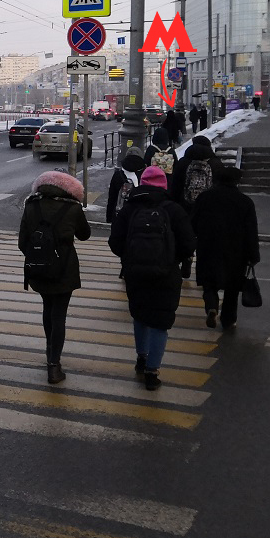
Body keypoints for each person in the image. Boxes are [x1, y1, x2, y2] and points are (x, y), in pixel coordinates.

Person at [108, 165, 196, 391]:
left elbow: (115, 242)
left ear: (143, 185)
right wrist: (169, 258)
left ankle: (141, 357)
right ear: (164, 185)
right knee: (160, 323)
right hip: (166, 275)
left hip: (135, 274)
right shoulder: (174, 210)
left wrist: (130, 258)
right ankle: (152, 371)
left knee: (140, 316)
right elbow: (188, 245)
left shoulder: (129, 209)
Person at [19, 171, 91, 384]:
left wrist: (41, 256)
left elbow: (23, 242)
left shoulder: (31, 206)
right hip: (64, 271)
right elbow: (85, 234)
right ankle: (54, 364)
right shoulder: (73, 208)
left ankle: (50, 352)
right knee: (59, 315)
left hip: (39, 269)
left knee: (48, 309)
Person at [192, 167, 260, 330]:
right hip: (236, 250)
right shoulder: (245, 201)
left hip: (208, 246)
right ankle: (228, 319)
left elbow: (193, 222)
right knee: (232, 287)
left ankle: (211, 306)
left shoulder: (204, 197)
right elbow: (251, 231)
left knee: (209, 282)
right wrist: (253, 255)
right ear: (237, 181)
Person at [171, 134, 222, 215]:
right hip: (208, 207)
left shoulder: (183, 162)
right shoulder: (216, 163)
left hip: (184, 207)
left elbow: (176, 185)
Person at [106, 150, 145, 224]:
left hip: (119, 214)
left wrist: (109, 217)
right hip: (138, 215)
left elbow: (112, 197)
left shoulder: (118, 174)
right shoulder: (144, 174)